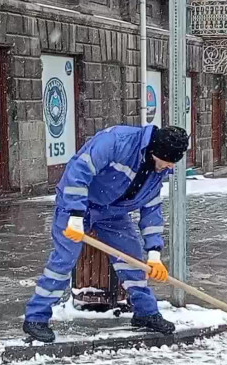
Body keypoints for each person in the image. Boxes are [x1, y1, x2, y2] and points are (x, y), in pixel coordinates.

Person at [23, 125, 189, 343]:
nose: (170, 167)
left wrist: (155, 254)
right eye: (168, 162)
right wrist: (75, 215)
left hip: (112, 211)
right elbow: (78, 171)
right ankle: (35, 318)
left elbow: (151, 209)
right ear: (155, 151)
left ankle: (145, 313)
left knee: (132, 259)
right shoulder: (117, 141)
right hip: (76, 204)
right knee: (64, 261)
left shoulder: (158, 170)